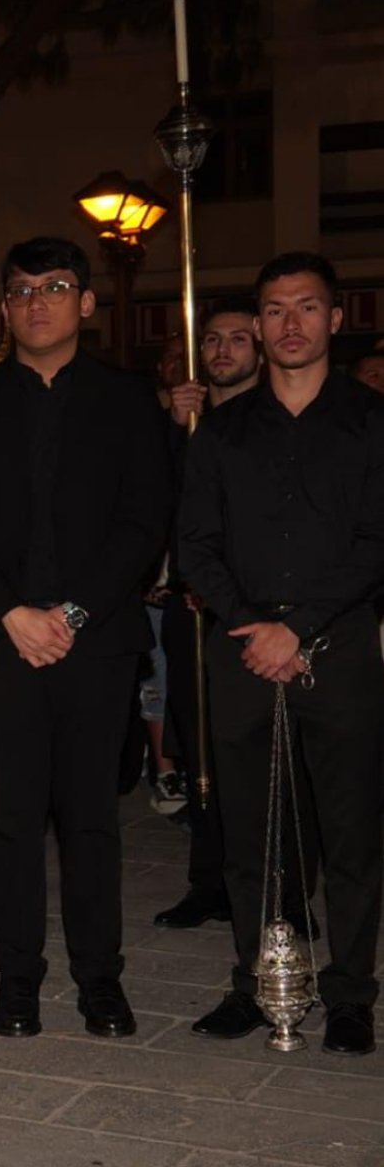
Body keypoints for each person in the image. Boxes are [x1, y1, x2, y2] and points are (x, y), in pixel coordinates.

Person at [0, 237, 172, 1041]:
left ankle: (99, 979)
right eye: (22, 289)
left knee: (91, 818)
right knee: (11, 820)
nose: (37, 302)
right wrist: (12, 615)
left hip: (93, 642)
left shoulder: (129, 401)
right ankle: (17, 978)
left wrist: (68, 616)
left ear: (86, 303)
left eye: (56, 287)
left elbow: (143, 522)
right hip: (0, 642)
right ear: (4, 307)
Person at [178, 253, 384, 1057]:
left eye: (306, 307)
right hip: (241, 652)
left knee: (350, 832)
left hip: (338, 653)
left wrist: (297, 628)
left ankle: (349, 994)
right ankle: (254, 982)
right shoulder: (221, 433)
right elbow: (193, 545)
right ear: (258, 327)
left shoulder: (371, 423)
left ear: (335, 319)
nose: (289, 323)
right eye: (273, 309)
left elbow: (376, 542)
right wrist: (252, 627)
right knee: (249, 835)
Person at [155, 299, 278, 931]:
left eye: (236, 338)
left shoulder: (278, 419)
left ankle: (270, 884)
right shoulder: (188, 429)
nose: (223, 351)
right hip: (192, 608)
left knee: (260, 751)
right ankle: (208, 880)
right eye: (211, 341)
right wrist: (176, 432)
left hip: (259, 612)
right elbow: (164, 513)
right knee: (199, 747)